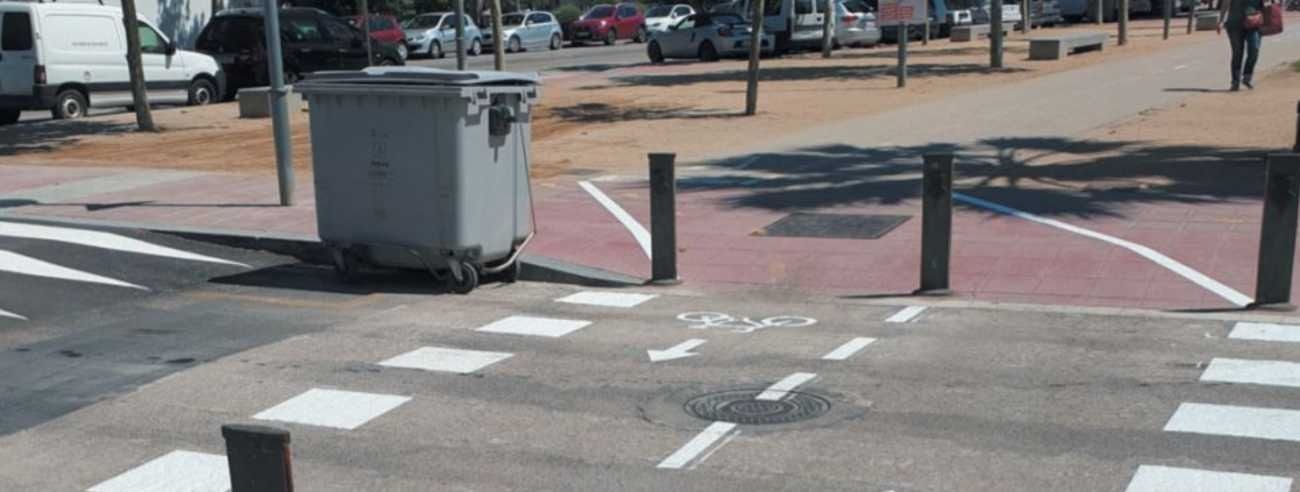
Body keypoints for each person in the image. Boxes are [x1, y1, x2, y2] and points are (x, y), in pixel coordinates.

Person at [1218, 0, 1265, 91]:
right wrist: (1221, 20)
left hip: (1253, 23)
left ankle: (1247, 77)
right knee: (1237, 53)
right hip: (1234, 24)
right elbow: (1226, 3)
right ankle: (1235, 82)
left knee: (1254, 49)